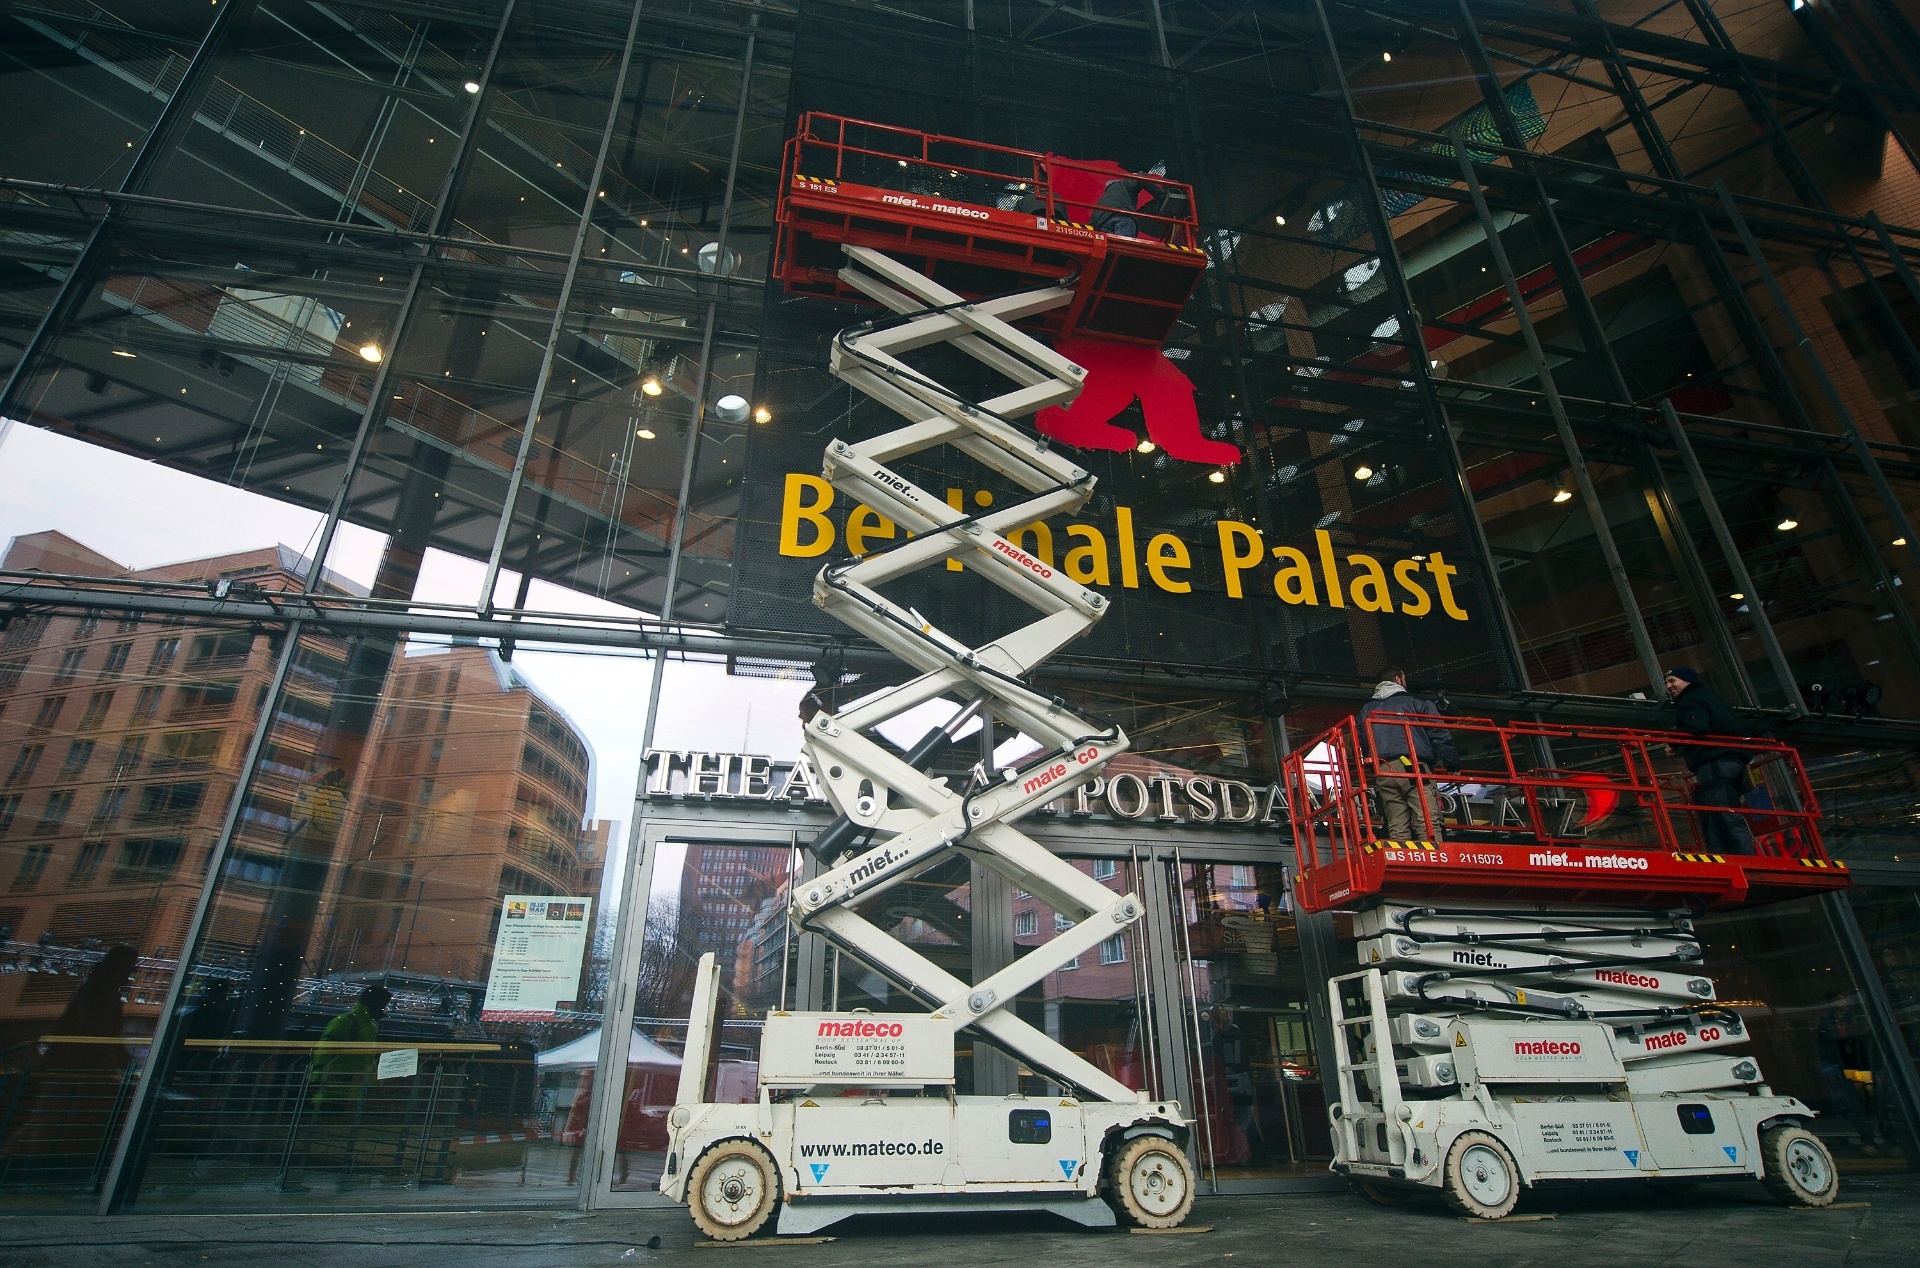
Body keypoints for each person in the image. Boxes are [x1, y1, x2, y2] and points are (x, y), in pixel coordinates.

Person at [1356, 666, 1458, 841]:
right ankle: (1433, 861)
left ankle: (1402, 860)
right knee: (1427, 819)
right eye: (1404, 678)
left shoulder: (1365, 711)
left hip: (1384, 771)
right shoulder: (1417, 704)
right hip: (1412, 767)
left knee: (1397, 823)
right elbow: (1439, 733)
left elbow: (1360, 744)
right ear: (1398, 679)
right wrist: (1452, 764)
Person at [1664, 666, 1756, 855]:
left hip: (1715, 762)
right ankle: (1723, 854)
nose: (1668, 685)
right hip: (1732, 761)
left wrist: (1672, 744)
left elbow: (1695, 726)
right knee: (1720, 810)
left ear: (1687, 680)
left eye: (1673, 680)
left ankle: (1746, 858)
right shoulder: (1712, 697)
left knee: (1725, 812)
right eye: (1667, 682)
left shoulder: (1690, 699)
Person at [310, 983, 391, 1103]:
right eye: (382, 1005)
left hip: (345, 1081)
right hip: (341, 1081)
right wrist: (316, 1078)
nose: (383, 1009)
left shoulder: (363, 1024)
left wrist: (316, 1077)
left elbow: (324, 1049)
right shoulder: (352, 1022)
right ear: (374, 1003)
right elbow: (325, 1050)